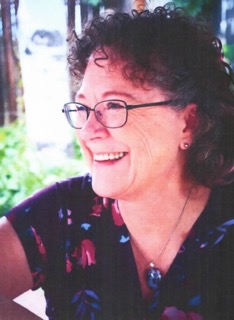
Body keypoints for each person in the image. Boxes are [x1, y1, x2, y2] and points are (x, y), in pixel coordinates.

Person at [0, 2, 234, 319]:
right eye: (83, 107)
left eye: (114, 106)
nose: (88, 129)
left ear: (188, 123)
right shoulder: (62, 214)